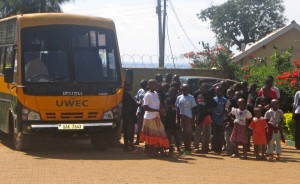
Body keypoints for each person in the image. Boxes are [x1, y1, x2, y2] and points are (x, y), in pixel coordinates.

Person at [140, 79, 170, 157]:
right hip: (149, 118)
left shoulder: (156, 93)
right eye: (155, 84)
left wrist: (162, 110)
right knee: (151, 135)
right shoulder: (147, 95)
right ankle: (150, 152)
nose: (157, 86)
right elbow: (145, 107)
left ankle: (160, 150)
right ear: (150, 85)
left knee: (160, 133)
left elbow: (158, 104)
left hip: (156, 116)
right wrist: (157, 110)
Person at [193, 81, 217, 153]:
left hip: (206, 117)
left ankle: (204, 148)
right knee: (197, 132)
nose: (204, 89)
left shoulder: (209, 96)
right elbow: (196, 106)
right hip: (199, 116)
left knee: (205, 133)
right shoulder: (198, 95)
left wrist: (208, 110)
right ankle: (196, 147)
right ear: (200, 88)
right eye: (203, 87)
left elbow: (215, 105)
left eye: (206, 88)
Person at [176, 84, 197, 155]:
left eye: (187, 89)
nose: (185, 90)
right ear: (181, 89)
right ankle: (185, 148)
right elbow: (178, 109)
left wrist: (193, 119)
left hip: (189, 117)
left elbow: (193, 109)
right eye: (184, 89)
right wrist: (177, 118)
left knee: (189, 134)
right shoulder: (179, 97)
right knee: (184, 134)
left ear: (189, 90)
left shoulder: (191, 98)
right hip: (182, 117)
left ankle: (188, 148)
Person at [165, 87, 182, 154]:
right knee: (168, 135)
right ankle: (170, 148)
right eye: (171, 91)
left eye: (174, 91)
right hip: (168, 119)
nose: (172, 93)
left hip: (175, 119)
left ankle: (178, 148)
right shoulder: (167, 98)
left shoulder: (178, 98)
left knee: (176, 135)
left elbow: (178, 107)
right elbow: (166, 106)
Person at [122, 83, 138, 152]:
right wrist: (139, 104)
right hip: (129, 117)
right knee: (130, 132)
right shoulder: (126, 94)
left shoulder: (123, 94)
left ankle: (126, 146)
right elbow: (132, 105)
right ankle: (131, 146)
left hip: (125, 116)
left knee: (126, 132)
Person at [211, 86, 227, 154]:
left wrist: (222, 114)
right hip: (214, 119)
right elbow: (211, 109)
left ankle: (219, 148)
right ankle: (214, 147)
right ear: (215, 91)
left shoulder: (225, 100)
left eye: (220, 90)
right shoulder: (213, 99)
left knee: (220, 134)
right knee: (214, 134)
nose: (219, 92)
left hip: (221, 120)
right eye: (217, 90)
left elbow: (225, 109)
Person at [134, 79, 148, 145]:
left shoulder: (148, 91)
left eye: (143, 85)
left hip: (146, 111)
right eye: (141, 85)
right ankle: (137, 140)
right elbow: (136, 99)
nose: (142, 86)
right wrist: (138, 103)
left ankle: (147, 142)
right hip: (140, 110)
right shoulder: (140, 90)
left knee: (146, 127)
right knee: (139, 126)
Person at [224, 88, 237, 156]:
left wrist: (230, 123)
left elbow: (234, 114)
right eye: (228, 93)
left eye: (230, 93)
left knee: (230, 137)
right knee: (227, 136)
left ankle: (231, 151)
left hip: (231, 122)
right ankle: (229, 150)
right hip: (226, 120)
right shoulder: (228, 101)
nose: (229, 94)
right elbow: (226, 111)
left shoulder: (234, 102)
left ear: (234, 94)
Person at [293, 85, 300, 150]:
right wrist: (293, 113)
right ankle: (297, 145)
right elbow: (295, 104)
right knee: (298, 129)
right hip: (298, 112)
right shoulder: (298, 93)